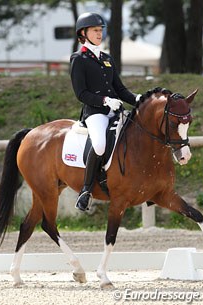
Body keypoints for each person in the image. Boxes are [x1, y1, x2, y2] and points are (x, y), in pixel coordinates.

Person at [70, 12, 141, 212]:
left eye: (101, 30)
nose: (99, 34)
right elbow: (81, 93)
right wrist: (104, 101)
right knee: (100, 145)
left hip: (115, 111)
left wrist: (137, 98)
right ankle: (85, 191)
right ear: (83, 33)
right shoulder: (79, 59)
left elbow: (120, 89)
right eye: (95, 30)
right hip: (95, 113)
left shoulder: (107, 58)